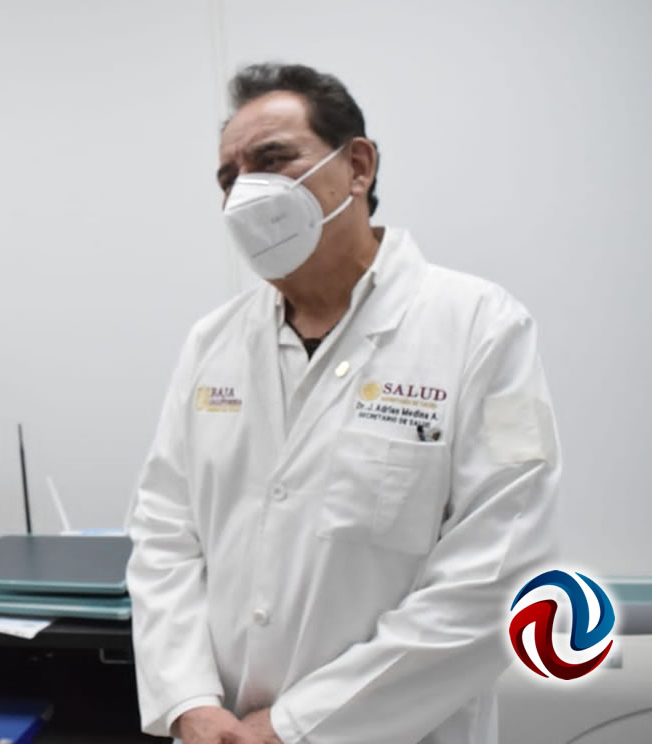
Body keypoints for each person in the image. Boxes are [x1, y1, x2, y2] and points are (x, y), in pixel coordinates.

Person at [126, 63, 559, 744]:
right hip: (220, 730)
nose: (245, 192)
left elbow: (499, 572)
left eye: (272, 160)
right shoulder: (212, 344)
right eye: (229, 177)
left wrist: (297, 725)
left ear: (356, 166)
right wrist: (188, 700)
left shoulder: (482, 327)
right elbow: (163, 535)